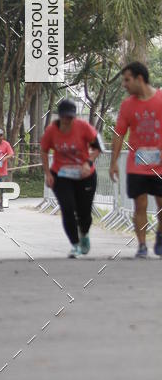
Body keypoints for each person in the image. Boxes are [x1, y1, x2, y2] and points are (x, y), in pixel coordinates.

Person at [110, 61, 162, 258]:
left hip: (160, 165)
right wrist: (114, 161)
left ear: (139, 78)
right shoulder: (127, 105)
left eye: (127, 80)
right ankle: (141, 246)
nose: (124, 84)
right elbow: (119, 133)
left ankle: (160, 235)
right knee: (140, 204)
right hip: (137, 165)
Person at [41, 99, 102, 258]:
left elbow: (98, 147)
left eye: (71, 117)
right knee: (67, 208)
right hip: (61, 175)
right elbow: (44, 151)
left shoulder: (83, 127)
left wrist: (88, 162)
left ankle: (84, 233)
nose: (68, 121)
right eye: (65, 117)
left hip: (85, 175)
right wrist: (48, 173)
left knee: (84, 212)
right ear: (59, 116)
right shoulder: (51, 131)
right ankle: (75, 245)